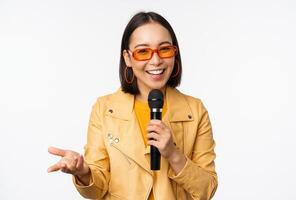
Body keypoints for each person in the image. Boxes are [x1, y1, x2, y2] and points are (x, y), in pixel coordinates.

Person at [48, 11, 218, 200]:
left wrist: (173, 153)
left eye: (164, 49)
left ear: (174, 53)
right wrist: (82, 172)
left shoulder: (194, 111)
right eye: (143, 51)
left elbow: (206, 190)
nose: (156, 60)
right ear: (128, 58)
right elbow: (97, 189)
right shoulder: (104, 109)